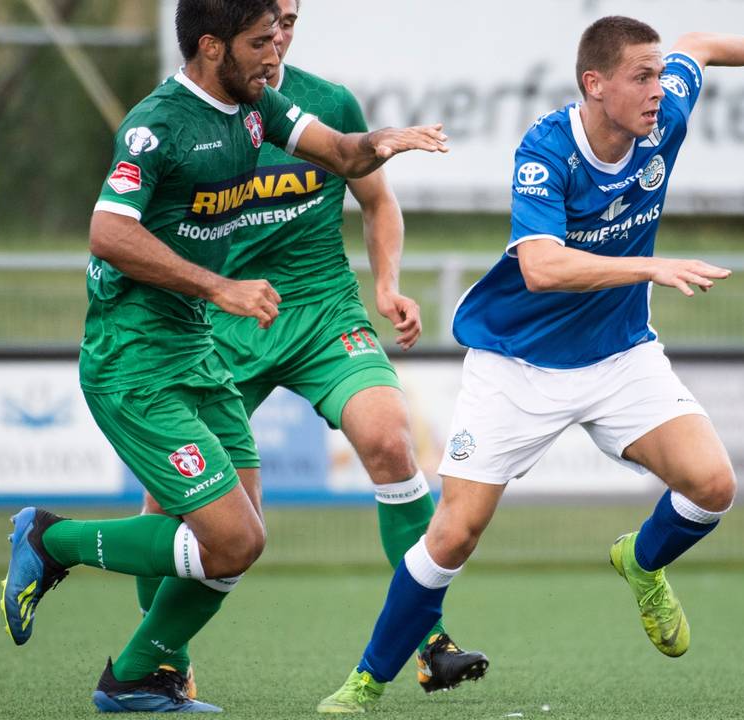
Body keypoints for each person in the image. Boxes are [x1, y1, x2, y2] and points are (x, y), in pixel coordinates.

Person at [316, 16, 744, 713]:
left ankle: (641, 564)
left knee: (712, 484)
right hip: (516, 366)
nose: (657, 89)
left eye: (657, 75)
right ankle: (367, 681)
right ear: (595, 85)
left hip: (619, 356)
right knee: (454, 533)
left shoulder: (663, 113)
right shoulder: (546, 148)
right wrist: (651, 264)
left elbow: (699, 48)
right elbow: (543, 266)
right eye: (641, 76)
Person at [0, 0, 448, 712]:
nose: (278, 54)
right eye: (263, 41)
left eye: (280, 36)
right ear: (213, 47)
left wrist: (390, 140)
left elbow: (340, 152)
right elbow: (108, 235)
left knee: (237, 541)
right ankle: (54, 542)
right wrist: (220, 286)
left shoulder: (258, 105)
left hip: (194, 346)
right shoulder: (158, 126)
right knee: (228, 539)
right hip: (133, 357)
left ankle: (137, 679)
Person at [133, 0, 488, 697]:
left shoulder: (324, 102)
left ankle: (428, 639)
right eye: (271, 20)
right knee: (173, 502)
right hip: (227, 320)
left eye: (291, 17)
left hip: (325, 310)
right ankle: (161, 657)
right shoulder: (181, 119)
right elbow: (132, 230)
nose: (283, 33)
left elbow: (378, 201)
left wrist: (386, 286)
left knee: (390, 437)